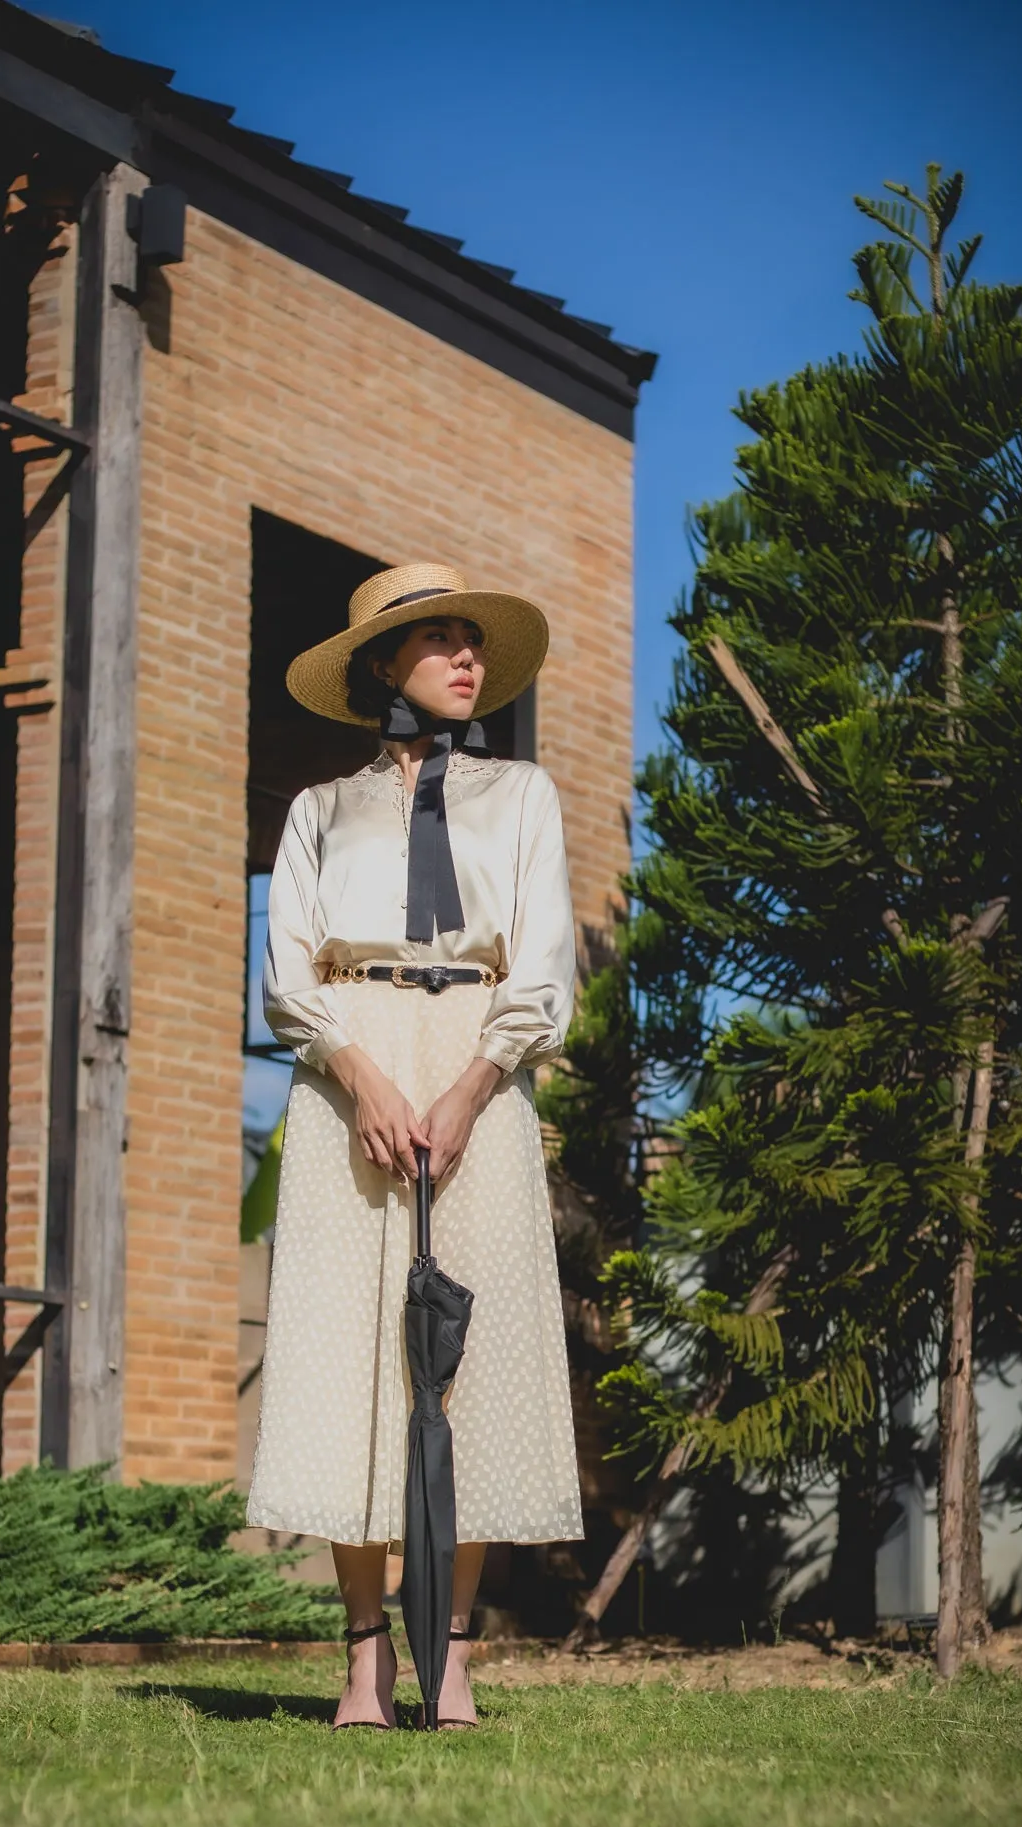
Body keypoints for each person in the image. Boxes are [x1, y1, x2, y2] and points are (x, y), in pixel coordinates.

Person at [245, 562, 583, 1729]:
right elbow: (289, 973)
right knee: (352, 1362)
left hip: (480, 1066)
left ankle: (448, 1653)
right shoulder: (318, 812)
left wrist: (474, 1083)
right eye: (435, 638)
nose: (464, 656)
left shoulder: (524, 793)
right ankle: (360, 1658)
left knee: (469, 1371)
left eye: (471, 639)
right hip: (352, 1069)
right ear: (382, 664)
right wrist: (365, 1074)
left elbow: (542, 965)